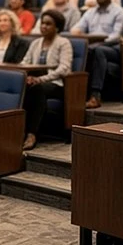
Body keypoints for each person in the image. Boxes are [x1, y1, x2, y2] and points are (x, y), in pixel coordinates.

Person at [21, 10, 72, 150]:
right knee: (24, 87)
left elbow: (64, 68)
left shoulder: (64, 43)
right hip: (35, 82)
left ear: (57, 27)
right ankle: (16, 130)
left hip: (57, 85)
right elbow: (25, 62)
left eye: (48, 24)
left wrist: (41, 79)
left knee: (37, 89)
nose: (44, 26)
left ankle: (32, 134)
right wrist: (25, 76)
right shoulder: (35, 43)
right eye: (42, 23)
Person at [71, 0, 123, 108]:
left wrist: (98, 42)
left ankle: (95, 95)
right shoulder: (90, 12)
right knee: (79, 48)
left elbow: (117, 36)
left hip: (113, 48)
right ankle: (74, 92)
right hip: (92, 47)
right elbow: (75, 29)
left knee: (98, 50)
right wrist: (79, 34)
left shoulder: (119, 12)